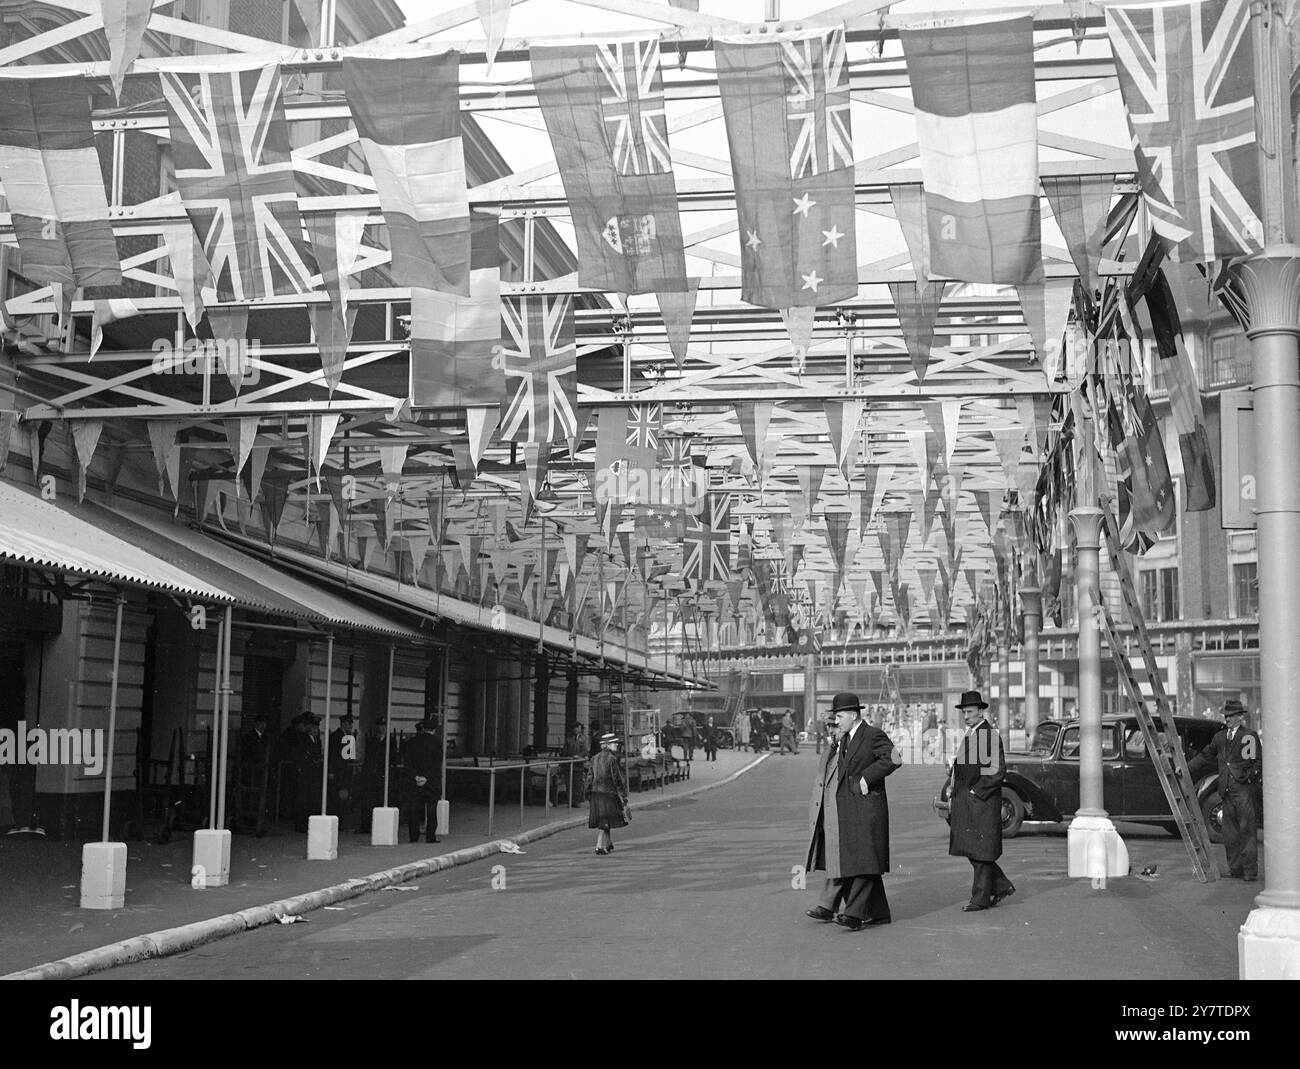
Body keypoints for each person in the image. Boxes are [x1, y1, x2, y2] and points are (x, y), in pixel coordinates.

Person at [804, 691, 900, 931]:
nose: (837, 720)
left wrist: (867, 778)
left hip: (867, 808)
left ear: (854, 715)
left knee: (864, 859)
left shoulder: (872, 734)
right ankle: (878, 913)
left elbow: (894, 758)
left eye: (840, 716)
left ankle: (854, 914)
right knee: (863, 859)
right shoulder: (844, 738)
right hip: (848, 809)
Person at [947, 690, 1015, 912]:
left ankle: (981, 898)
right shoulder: (974, 733)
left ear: (980, 712)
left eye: (969, 712)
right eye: (964, 712)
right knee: (975, 850)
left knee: (980, 852)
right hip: (970, 801)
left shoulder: (988, 735)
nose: (965, 716)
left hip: (980, 802)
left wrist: (977, 792)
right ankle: (1000, 886)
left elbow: (997, 770)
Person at [1186, 698, 1261, 880]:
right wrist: (1186, 767)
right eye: (1226, 716)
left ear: (1239, 717)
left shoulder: (1249, 736)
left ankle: (1249, 872)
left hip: (1244, 790)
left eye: (1230, 716)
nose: (1226, 719)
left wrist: (1249, 778)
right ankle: (1235, 869)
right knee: (1229, 832)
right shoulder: (1219, 738)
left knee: (1247, 831)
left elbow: (1257, 762)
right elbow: (1205, 756)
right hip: (1225, 790)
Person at [400, 719, 442, 844]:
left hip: (414, 782)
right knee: (431, 809)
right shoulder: (437, 742)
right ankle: (430, 836)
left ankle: (414, 836)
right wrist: (426, 777)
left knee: (414, 809)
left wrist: (416, 777)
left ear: (423, 729)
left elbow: (407, 762)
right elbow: (437, 764)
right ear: (434, 730)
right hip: (431, 782)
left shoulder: (412, 742)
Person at [588, 732, 628, 855]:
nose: (616, 744)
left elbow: (590, 777)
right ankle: (599, 846)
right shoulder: (611, 759)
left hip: (596, 792)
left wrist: (588, 792)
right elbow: (617, 779)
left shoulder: (594, 758)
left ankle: (608, 842)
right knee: (604, 820)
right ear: (606, 745)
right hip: (608, 793)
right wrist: (623, 795)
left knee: (605, 819)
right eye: (613, 743)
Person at [328, 713, 358, 820]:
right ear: (344, 724)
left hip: (346, 771)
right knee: (337, 796)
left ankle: (342, 819)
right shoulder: (336, 736)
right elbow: (332, 755)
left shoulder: (349, 736)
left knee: (344, 795)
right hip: (338, 771)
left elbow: (350, 755)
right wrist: (331, 771)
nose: (351, 727)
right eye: (349, 724)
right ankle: (337, 819)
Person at [562, 725, 588, 803]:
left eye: (578, 727)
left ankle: (576, 801)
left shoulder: (583, 739)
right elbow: (565, 751)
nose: (577, 729)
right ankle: (570, 800)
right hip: (569, 763)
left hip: (578, 764)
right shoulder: (569, 739)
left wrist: (580, 756)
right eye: (576, 727)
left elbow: (585, 751)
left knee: (577, 783)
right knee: (569, 783)